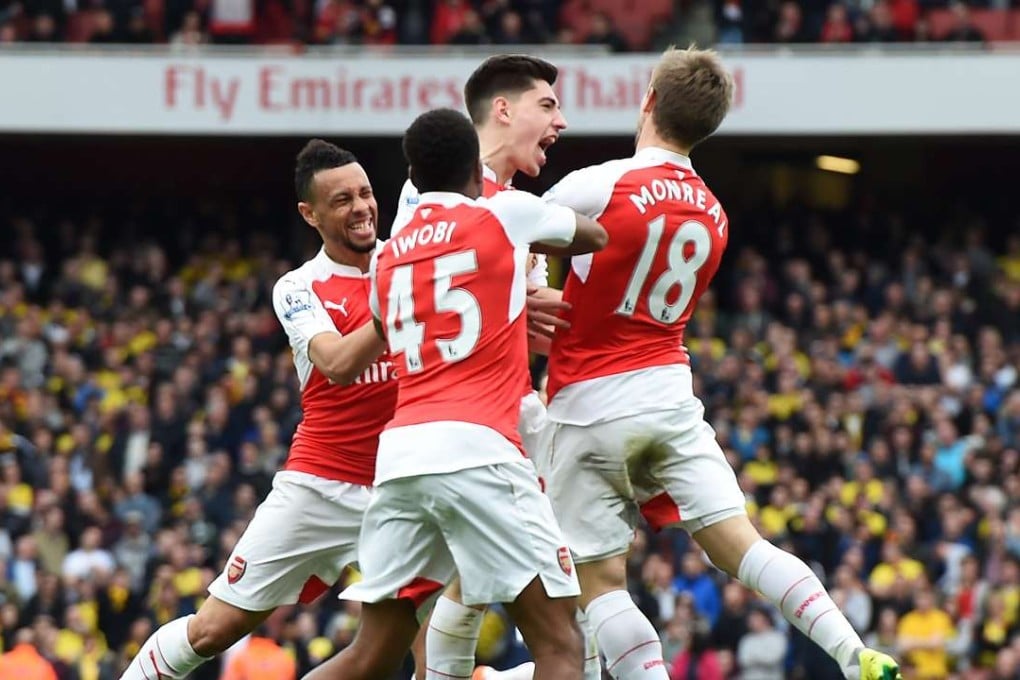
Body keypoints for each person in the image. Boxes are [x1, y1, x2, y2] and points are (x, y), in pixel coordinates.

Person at [538, 46, 903, 680]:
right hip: (669, 402)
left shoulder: (601, 182)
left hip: (586, 406)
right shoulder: (714, 213)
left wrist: (536, 290)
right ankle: (853, 652)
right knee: (745, 548)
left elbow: (520, 236)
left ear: (648, 101)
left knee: (600, 584)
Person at [302, 107, 607, 680]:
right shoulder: (502, 212)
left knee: (371, 655)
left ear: (412, 176)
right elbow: (594, 235)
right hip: (480, 450)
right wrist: (522, 250)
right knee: (561, 645)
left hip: (400, 459)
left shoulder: (389, 254)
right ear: (475, 169)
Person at [120, 140, 397, 680]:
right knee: (212, 630)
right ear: (310, 214)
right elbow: (338, 363)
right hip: (321, 485)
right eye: (342, 200)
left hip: (403, 484)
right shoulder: (298, 287)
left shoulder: (409, 263)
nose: (362, 207)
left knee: (391, 652)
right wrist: (396, 307)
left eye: (365, 193)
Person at [392, 55, 598, 680]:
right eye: (547, 106)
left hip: (499, 419)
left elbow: (521, 330)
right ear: (503, 111)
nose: (561, 122)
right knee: (564, 628)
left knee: (471, 595)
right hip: (461, 427)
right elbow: (418, 306)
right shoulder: (432, 195)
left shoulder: (516, 207)